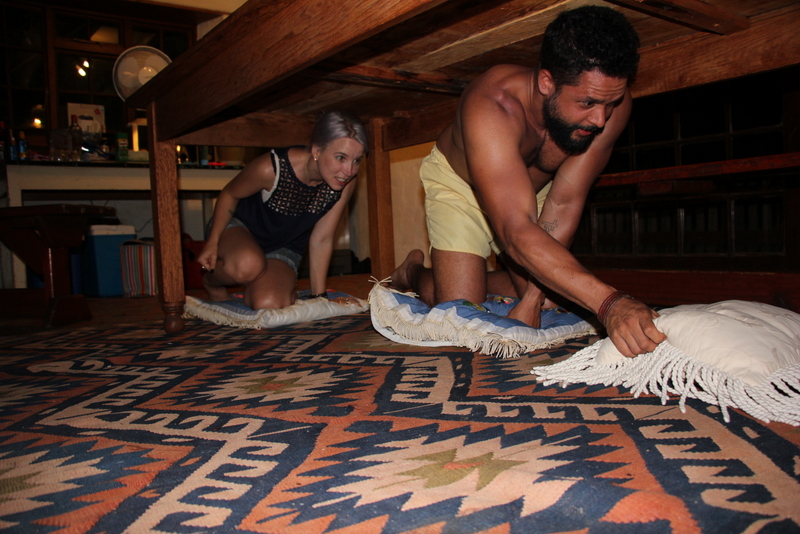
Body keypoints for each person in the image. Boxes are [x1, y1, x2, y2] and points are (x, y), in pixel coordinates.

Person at [390, 6, 666, 357]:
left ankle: (493, 279)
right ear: (546, 82)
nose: (600, 119)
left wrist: (533, 299)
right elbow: (517, 230)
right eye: (587, 102)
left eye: (610, 103)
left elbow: (564, 201)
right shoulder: (492, 106)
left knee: (553, 297)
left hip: (531, 193)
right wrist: (611, 303)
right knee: (461, 310)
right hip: (461, 188)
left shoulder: (610, 108)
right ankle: (413, 273)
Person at [197, 110, 368, 310]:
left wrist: (320, 298)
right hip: (240, 229)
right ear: (316, 151)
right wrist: (213, 242)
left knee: (268, 303)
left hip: (284, 246)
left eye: (357, 160)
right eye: (340, 158)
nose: (349, 171)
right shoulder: (272, 168)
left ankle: (262, 284)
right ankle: (213, 283)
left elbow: (322, 239)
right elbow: (229, 194)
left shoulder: (345, 183)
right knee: (248, 265)